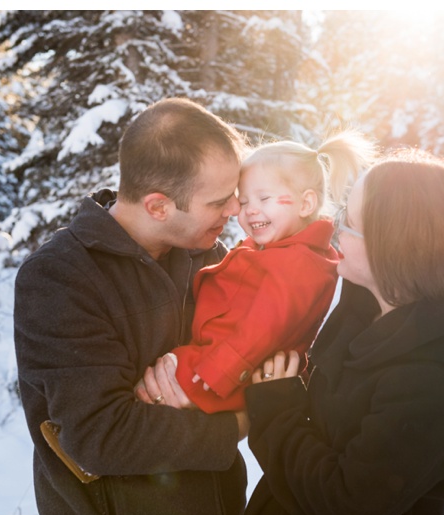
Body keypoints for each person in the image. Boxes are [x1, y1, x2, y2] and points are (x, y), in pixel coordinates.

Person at [14, 97, 251, 515]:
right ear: (158, 206)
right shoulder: (58, 277)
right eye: (219, 201)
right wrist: (234, 424)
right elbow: (101, 436)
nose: (235, 210)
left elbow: (259, 358)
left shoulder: (210, 258)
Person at [239, 147, 444, 515]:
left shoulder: (427, 382)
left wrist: (277, 407)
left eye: (349, 221)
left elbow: (345, 504)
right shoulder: (364, 318)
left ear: (396, 247)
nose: (335, 226)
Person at [135, 132, 377, 413]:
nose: (249, 211)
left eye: (264, 198)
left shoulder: (301, 264)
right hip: (220, 359)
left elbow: (267, 323)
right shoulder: (282, 249)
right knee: (151, 387)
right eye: (245, 201)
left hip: (226, 371)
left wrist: (221, 369)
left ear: (306, 204)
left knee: (146, 392)